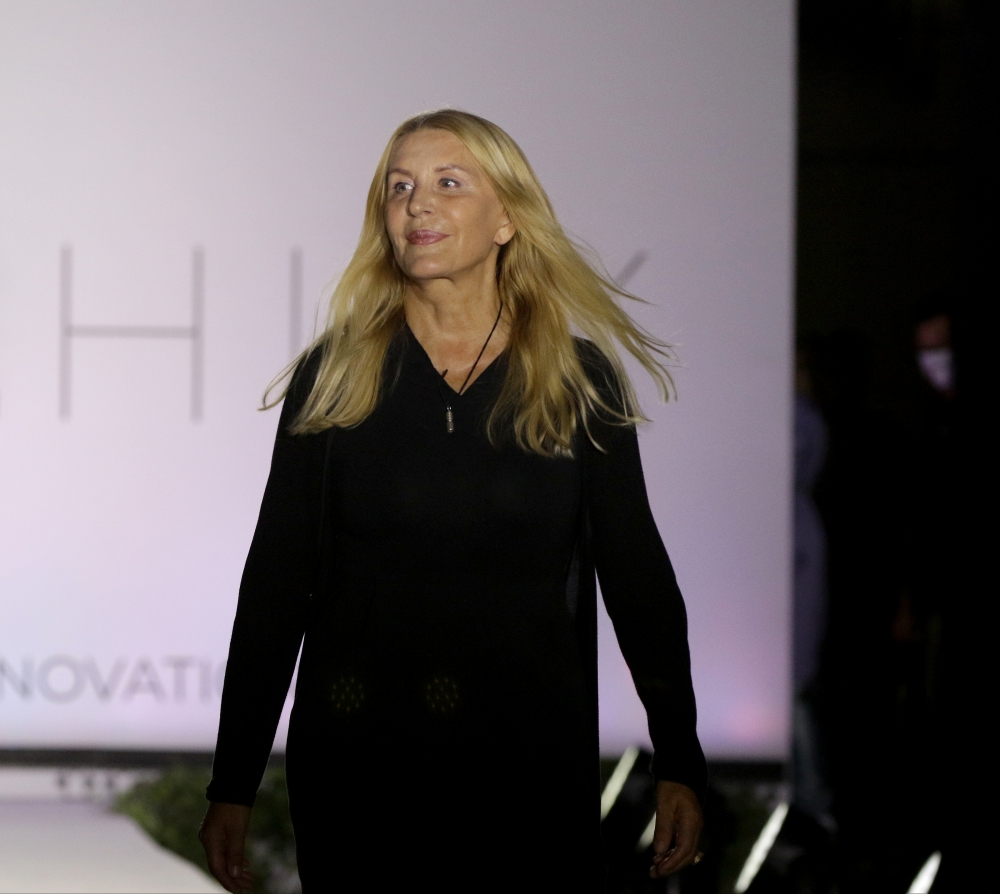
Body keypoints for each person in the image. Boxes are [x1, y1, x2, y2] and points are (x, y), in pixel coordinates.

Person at [198, 109, 705, 893]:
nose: (417, 204)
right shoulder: (337, 376)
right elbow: (276, 582)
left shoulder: (572, 381)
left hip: (529, 770)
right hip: (360, 770)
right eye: (399, 187)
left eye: (448, 183)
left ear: (507, 219)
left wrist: (680, 759)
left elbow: (637, 579)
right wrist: (233, 780)